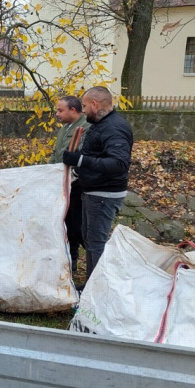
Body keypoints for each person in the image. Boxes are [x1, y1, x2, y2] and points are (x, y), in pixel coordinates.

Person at [62, 86, 133, 282]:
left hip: (104, 194)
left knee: (95, 243)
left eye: (84, 106)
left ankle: (97, 289)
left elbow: (119, 163)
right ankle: (92, 285)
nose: (83, 110)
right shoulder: (102, 125)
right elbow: (97, 154)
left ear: (95, 104)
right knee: (88, 237)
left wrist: (80, 161)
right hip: (93, 190)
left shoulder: (114, 128)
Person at [48, 96, 91, 273]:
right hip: (63, 185)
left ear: (73, 110)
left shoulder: (86, 128)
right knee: (66, 225)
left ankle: (98, 263)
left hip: (77, 186)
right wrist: (47, 173)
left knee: (78, 228)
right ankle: (70, 263)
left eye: (60, 110)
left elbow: (79, 155)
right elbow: (56, 153)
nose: (57, 114)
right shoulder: (65, 128)